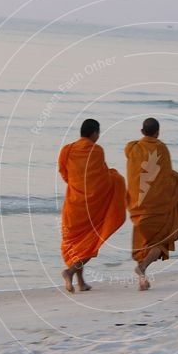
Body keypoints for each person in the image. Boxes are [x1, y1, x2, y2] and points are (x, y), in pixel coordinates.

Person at [58, 119, 126, 292]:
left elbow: (64, 173)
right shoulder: (97, 150)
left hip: (73, 205)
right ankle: (70, 272)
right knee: (89, 243)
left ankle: (81, 282)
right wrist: (117, 178)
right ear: (94, 133)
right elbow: (102, 178)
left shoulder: (67, 150)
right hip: (91, 208)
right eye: (98, 132)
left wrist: (76, 185)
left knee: (77, 244)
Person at [124, 117, 178, 290]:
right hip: (158, 207)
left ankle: (142, 280)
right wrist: (177, 182)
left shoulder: (133, 148)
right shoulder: (162, 148)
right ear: (158, 132)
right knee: (160, 242)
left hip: (138, 207)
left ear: (141, 131)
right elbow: (166, 176)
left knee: (142, 241)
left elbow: (141, 168)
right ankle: (143, 267)